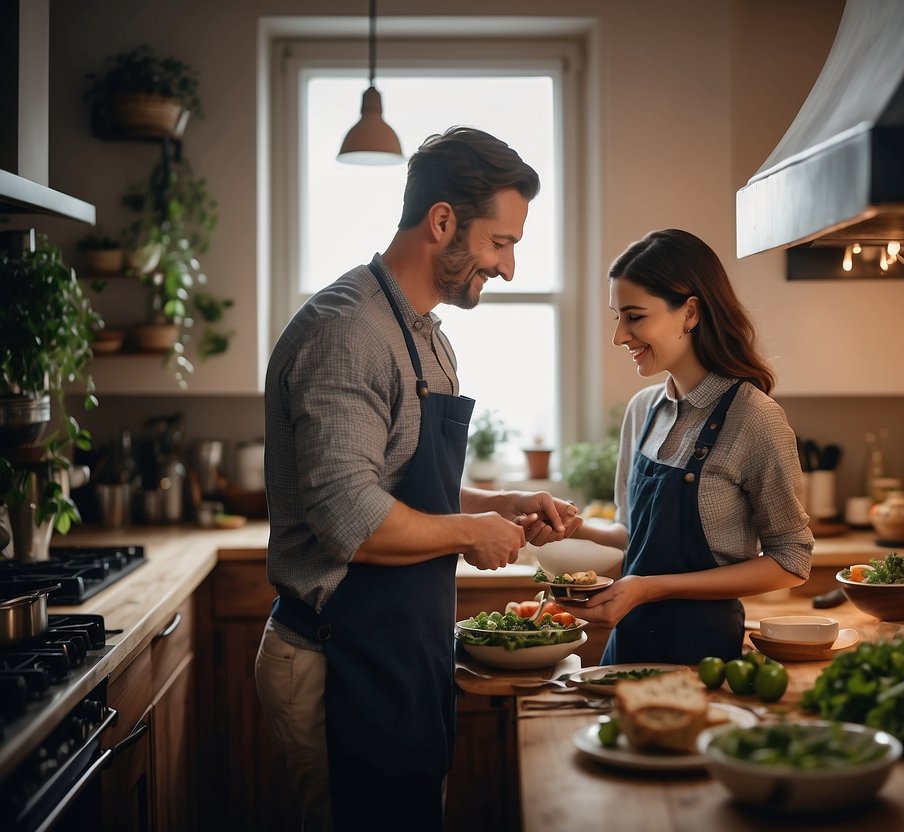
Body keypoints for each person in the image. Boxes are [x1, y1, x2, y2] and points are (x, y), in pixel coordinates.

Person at [255, 126, 581, 832]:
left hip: (401, 648)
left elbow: (402, 486)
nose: (509, 267)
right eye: (502, 242)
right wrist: (470, 532)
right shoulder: (346, 333)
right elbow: (353, 521)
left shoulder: (427, 336)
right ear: (442, 222)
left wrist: (505, 503)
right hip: (335, 658)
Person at [574, 228, 813, 665]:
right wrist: (571, 525)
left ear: (689, 313)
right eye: (617, 318)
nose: (620, 336)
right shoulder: (643, 410)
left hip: (704, 660)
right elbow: (631, 535)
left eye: (635, 317)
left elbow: (791, 560)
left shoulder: (754, 417)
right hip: (625, 652)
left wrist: (651, 587)